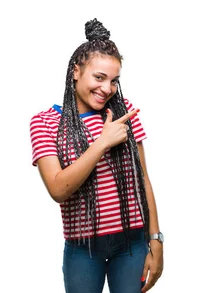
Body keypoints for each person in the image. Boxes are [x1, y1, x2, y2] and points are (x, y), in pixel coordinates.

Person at [29, 19, 163, 293]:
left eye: (114, 81)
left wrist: (156, 238)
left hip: (132, 244)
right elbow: (58, 188)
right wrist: (102, 142)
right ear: (76, 71)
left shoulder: (125, 113)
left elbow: (143, 180)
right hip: (82, 249)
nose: (107, 88)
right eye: (99, 77)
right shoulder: (45, 122)